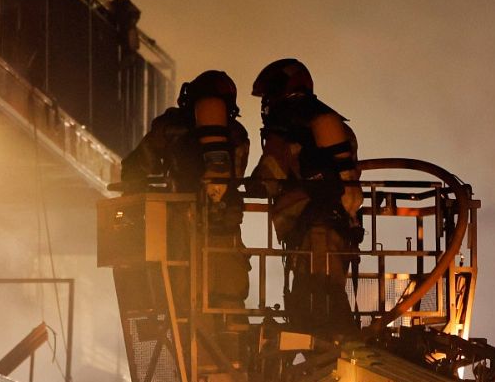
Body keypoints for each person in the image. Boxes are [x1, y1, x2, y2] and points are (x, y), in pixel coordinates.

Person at [246, 59, 361, 334]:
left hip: (311, 230)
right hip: (341, 228)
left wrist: (250, 186)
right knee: (327, 291)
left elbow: (268, 177)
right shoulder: (338, 127)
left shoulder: (286, 127)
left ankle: (337, 355)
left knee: (317, 300)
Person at [121, 70, 253, 306]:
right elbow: (238, 173)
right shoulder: (237, 133)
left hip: (179, 221)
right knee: (228, 295)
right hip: (225, 225)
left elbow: (136, 165)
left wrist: (134, 193)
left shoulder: (168, 127)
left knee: (179, 293)